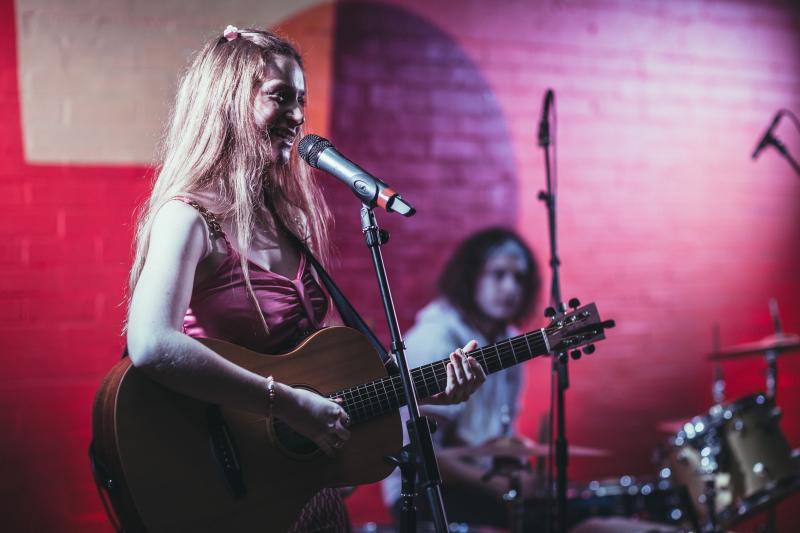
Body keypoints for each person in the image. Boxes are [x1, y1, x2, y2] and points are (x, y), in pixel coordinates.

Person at [124, 26, 486, 532]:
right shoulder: (186, 218)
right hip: (230, 496)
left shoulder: (287, 223)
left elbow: (329, 388)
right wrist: (286, 402)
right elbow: (150, 344)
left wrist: (425, 391)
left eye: (302, 100)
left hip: (304, 499)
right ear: (228, 102)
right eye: (280, 97)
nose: (297, 115)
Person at [382, 227, 542, 527]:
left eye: (519, 278)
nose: (510, 288)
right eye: (498, 275)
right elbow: (423, 453)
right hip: (422, 491)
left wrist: (517, 466)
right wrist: (500, 485)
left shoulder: (509, 340)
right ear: (471, 277)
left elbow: (495, 438)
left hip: (475, 484)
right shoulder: (436, 338)